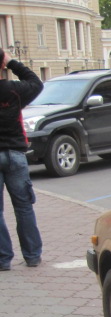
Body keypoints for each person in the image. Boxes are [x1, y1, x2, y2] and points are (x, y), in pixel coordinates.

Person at [0, 48, 43, 270]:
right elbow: (36, 83)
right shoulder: (14, 90)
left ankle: (3, 259)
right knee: (24, 207)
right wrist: (12, 62)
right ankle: (32, 255)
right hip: (15, 154)